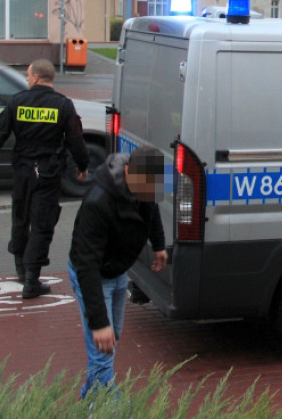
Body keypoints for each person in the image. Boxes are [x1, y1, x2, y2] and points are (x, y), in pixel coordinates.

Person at [0, 58, 89, 298]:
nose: (28, 79)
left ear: (37, 77)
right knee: (42, 224)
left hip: (22, 172)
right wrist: (83, 166)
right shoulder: (63, 106)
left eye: (29, 76)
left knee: (20, 218)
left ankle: (21, 269)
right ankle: (32, 280)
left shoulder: (17, 102)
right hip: (48, 174)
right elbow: (75, 140)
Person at [68, 146, 167, 398]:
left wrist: (158, 245)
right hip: (94, 276)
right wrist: (99, 321)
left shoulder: (144, 186)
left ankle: (85, 404)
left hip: (118, 272)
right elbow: (85, 265)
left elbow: (151, 211)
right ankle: (112, 409)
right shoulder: (98, 202)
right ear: (127, 171)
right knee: (103, 350)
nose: (149, 191)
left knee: (111, 340)